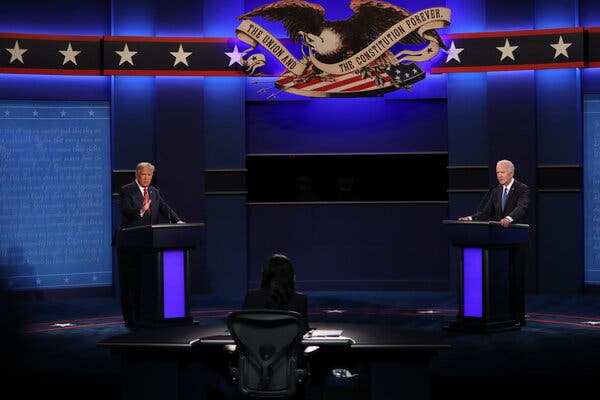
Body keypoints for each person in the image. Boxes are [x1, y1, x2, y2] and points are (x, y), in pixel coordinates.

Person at [459, 159, 530, 325]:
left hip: (516, 241)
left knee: (516, 279)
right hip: (499, 242)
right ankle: (502, 315)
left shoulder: (522, 189)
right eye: (497, 172)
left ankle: (518, 318)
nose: (499, 175)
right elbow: (486, 212)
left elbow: (522, 207)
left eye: (502, 172)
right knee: (501, 280)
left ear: (511, 173)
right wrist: (470, 218)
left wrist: (509, 218)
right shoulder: (496, 191)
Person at [115, 161, 184, 330]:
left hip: (148, 245)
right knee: (130, 284)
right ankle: (130, 321)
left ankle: (144, 317)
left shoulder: (154, 192)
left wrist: (178, 221)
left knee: (144, 283)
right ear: (136, 175)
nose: (146, 178)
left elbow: (164, 208)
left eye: (149, 175)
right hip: (129, 244)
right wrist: (141, 209)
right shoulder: (126, 190)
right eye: (143, 175)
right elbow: (126, 211)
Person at [243, 253, 309, 330]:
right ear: (291, 275)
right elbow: (303, 331)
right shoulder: (300, 299)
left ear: (264, 274)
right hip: (289, 342)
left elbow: (244, 330)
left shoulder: (251, 297)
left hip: (255, 341)